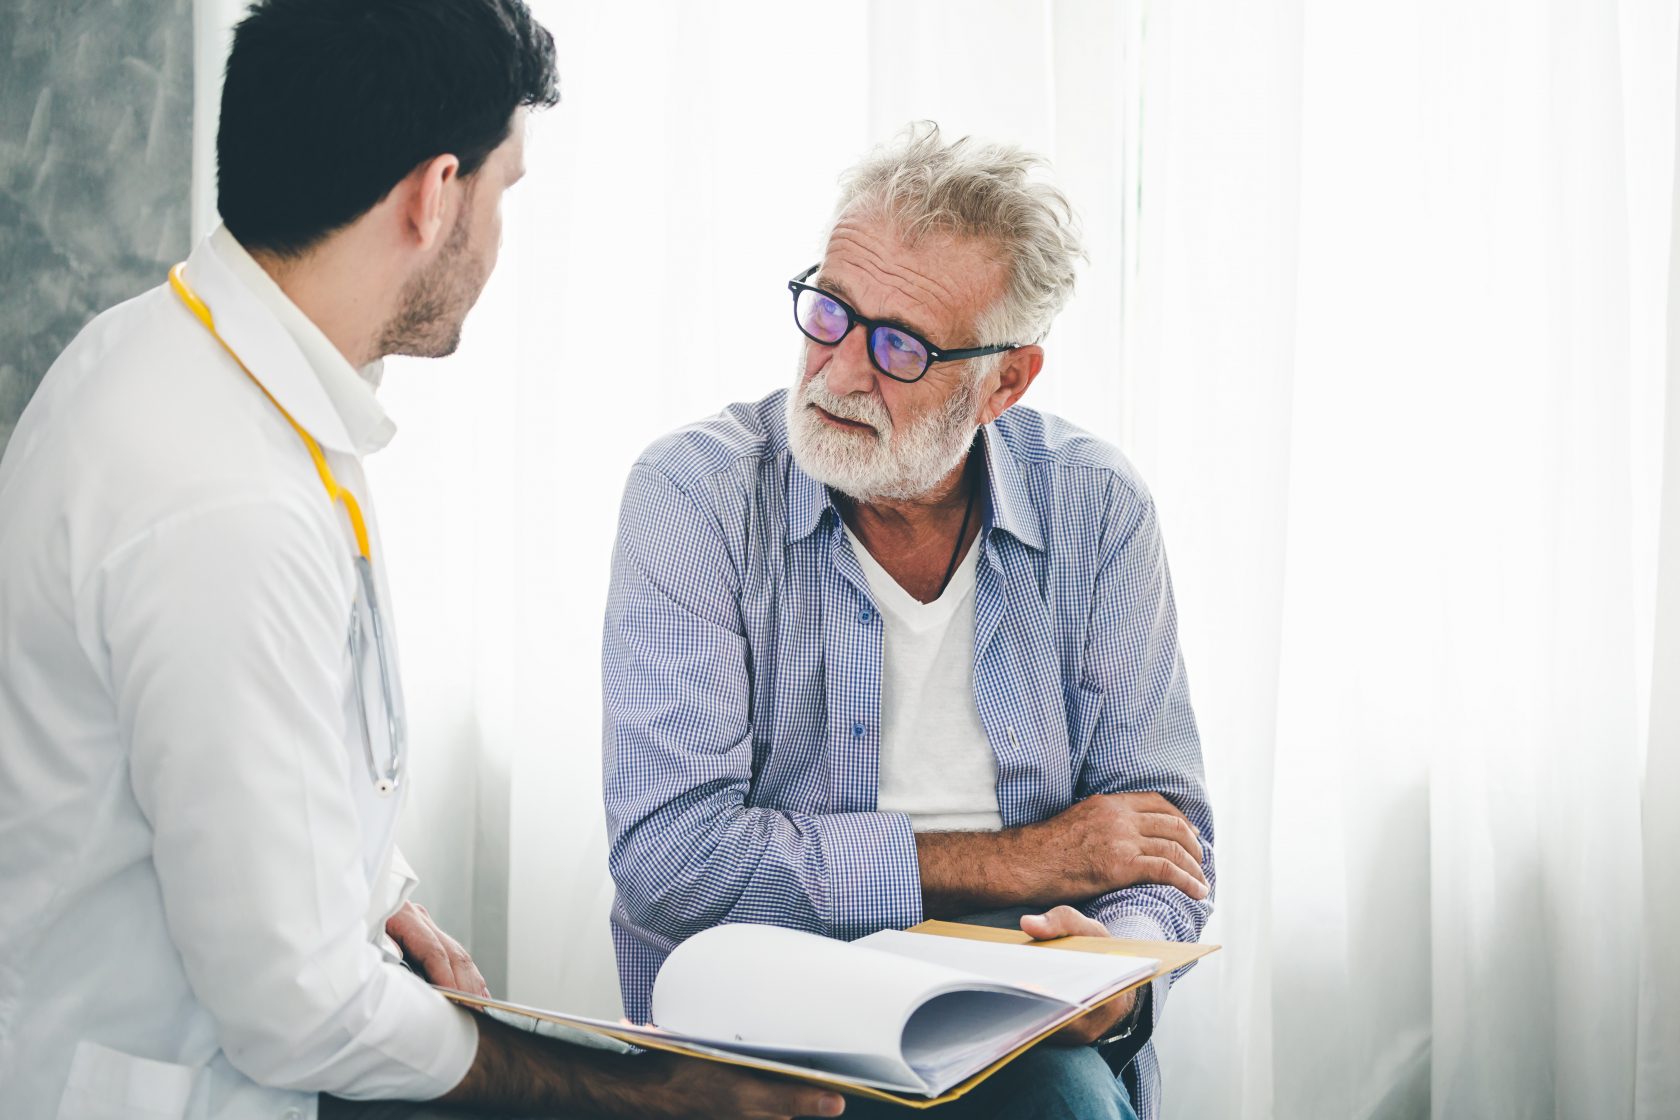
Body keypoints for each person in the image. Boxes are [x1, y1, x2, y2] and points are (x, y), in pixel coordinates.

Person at [0, 2, 843, 1118]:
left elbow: (258, 761)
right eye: (505, 192)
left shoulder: (182, 354)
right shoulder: (226, 501)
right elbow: (299, 1009)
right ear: (434, 193)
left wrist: (374, 890)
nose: (497, 237)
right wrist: (633, 1090)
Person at [602, 123, 1215, 1120]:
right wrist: (1026, 859)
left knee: (1063, 1101)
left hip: (1014, 1022)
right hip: (768, 1023)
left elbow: (1159, 842)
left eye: (900, 345)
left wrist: (1118, 972)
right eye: (830, 311)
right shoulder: (695, 494)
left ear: (1005, 382)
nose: (839, 371)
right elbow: (673, 861)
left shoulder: (1098, 508)